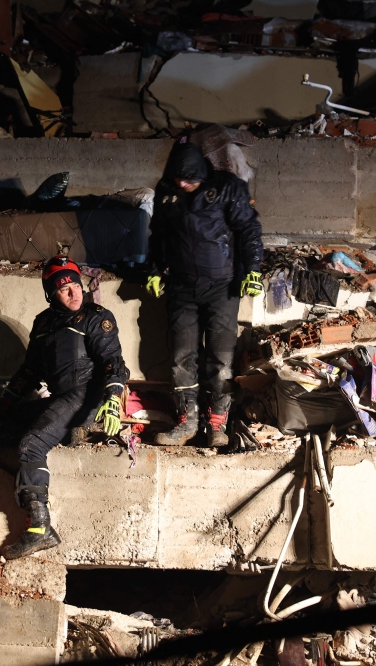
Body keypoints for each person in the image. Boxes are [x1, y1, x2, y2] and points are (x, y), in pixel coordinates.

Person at [0, 255, 130, 559]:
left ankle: (40, 529)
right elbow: (30, 372)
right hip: (61, 398)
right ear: (51, 294)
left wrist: (113, 400)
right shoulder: (43, 323)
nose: (73, 293)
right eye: (64, 289)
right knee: (2, 424)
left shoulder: (96, 316)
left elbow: (112, 362)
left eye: (76, 285)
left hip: (86, 397)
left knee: (31, 444)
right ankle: (66, 433)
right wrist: (4, 403)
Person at [146, 141, 264, 448]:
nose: (184, 184)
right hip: (182, 287)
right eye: (179, 178)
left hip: (222, 289)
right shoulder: (167, 192)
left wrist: (253, 269)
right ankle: (187, 422)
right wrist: (156, 269)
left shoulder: (228, 188)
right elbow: (158, 233)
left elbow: (249, 229)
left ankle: (216, 424)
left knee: (221, 358)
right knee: (181, 358)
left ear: (202, 173)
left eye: (190, 179)